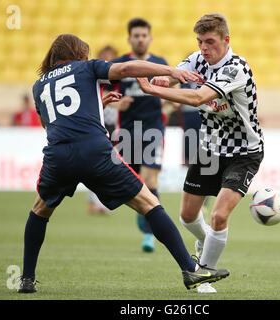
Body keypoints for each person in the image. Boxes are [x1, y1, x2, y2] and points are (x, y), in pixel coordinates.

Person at [17, 33, 229, 293]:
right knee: (149, 203)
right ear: (78, 53)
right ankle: (190, 269)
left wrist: (96, 105)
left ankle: (26, 278)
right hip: (95, 151)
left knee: (40, 210)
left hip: (59, 156)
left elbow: (51, 124)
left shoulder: (39, 86)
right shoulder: (88, 67)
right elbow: (127, 68)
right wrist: (170, 70)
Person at [137, 13, 264, 293]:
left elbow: (197, 98)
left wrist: (153, 91)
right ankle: (207, 243)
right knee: (187, 216)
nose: (204, 48)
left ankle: (203, 275)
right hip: (209, 149)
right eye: (200, 42)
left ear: (226, 40)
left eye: (209, 42)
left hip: (244, 151)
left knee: (219, 216)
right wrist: (161, 79)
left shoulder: (235, 68)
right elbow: (170, 79)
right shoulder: (197, 60)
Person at [105, 18, 169, 253]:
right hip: (128, 132)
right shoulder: (119, 65)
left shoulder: (160, 63)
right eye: (136, 35)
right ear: (129, 39)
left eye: (144, 35)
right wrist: (114, 105)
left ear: (150, 39)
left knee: (150, 181)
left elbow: (172, 90)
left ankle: (149, 235)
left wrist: (168, 99)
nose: (140, 39)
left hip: (154, 130)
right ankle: (147, 224)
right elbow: (101, 92)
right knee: (135, 186)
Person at [87, 45, 119, 215]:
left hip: (113, 129)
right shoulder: (95, 80)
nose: (108, 61)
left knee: (107, 167)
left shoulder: (118, 82)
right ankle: (95, 203)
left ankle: (100, 202)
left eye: (111, 57)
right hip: (97, 127)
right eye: (105, 57)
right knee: (96, 167)